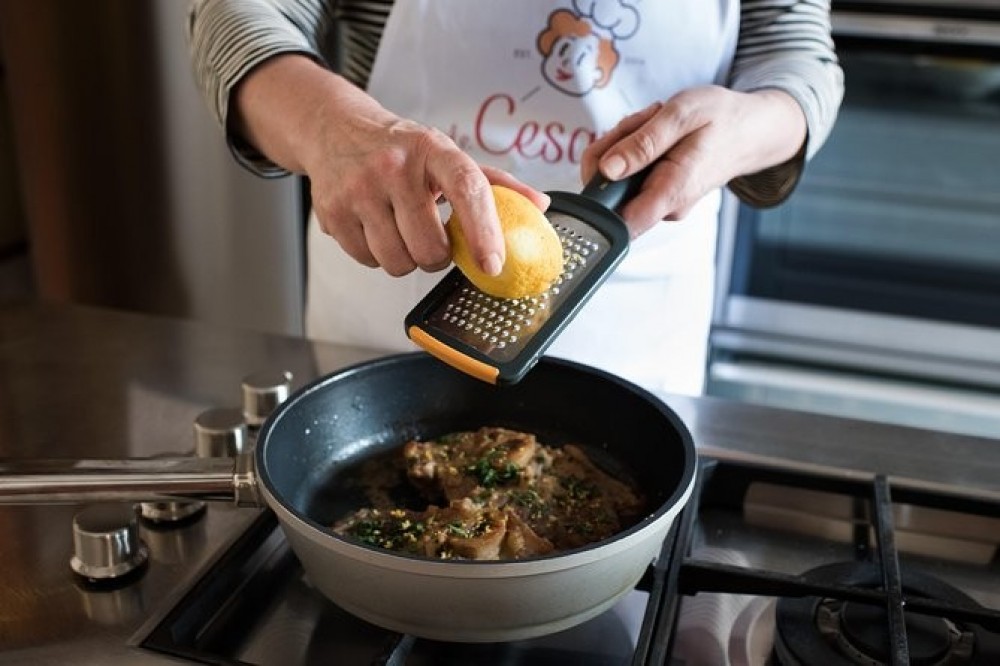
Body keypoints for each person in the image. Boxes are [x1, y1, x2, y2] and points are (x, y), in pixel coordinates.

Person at [187, 0, 843, 395]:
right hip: (386, 303)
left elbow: (796, 54)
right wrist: (329, 129)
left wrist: (750, 125)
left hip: (637, 324)